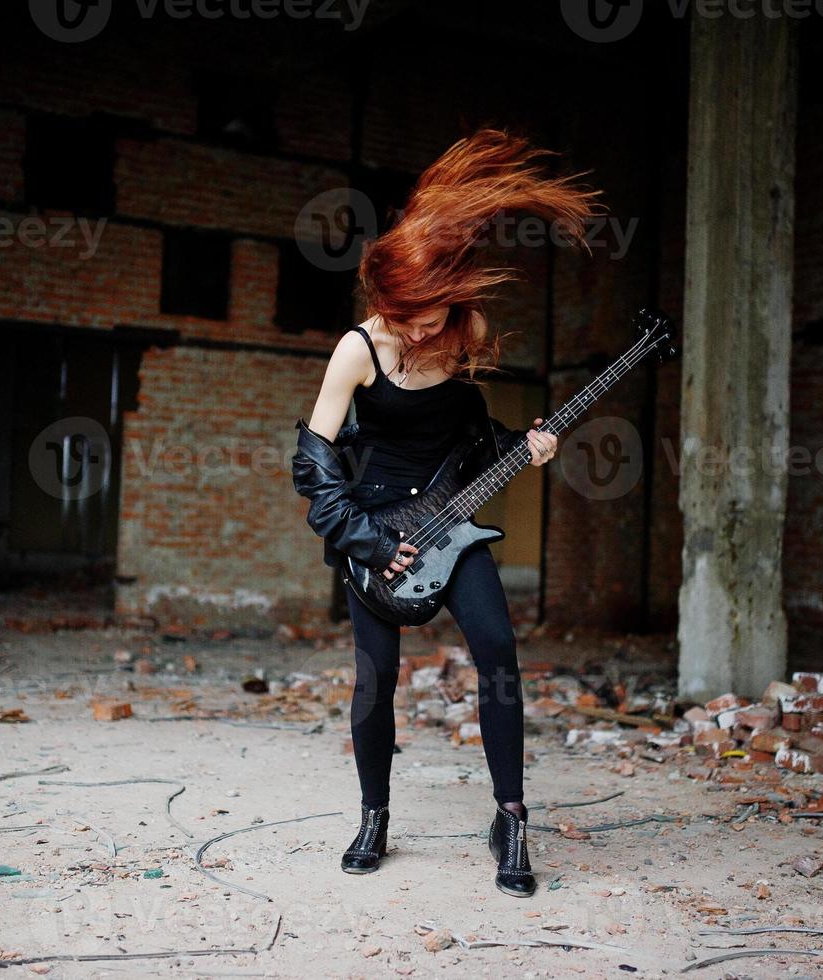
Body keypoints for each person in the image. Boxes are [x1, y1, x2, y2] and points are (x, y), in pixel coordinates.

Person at [289, 127, 602, 897]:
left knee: (497, 648)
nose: (426, 330)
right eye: (413, 316)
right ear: (387, 300)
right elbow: (312, 458)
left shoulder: (464, 331)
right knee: (374, 678)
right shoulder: (358, 347)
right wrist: (363, 541)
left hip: (449, 521)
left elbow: (464, 433)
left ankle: (511, 816)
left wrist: (517, 446)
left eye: (435, 312)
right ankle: (373, 815)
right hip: (375, 530)